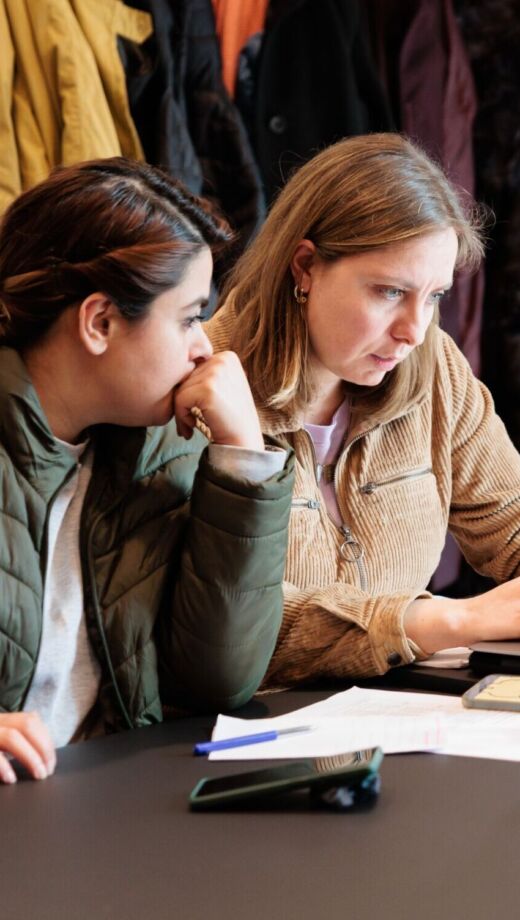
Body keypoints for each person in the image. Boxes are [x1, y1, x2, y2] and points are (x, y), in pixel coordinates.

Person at [0, 157, 294, 783]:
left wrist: (243, 458)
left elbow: (219, 681)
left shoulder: (157, 450)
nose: (205, 348)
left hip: (115, 817)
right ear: (100, 322)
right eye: (189, 318)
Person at [206, 132, 520, 690]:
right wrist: (448, 619)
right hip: (238, 736)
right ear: (304, 266)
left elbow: (512, 528)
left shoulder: (435, 367)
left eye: (435, 296)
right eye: (389, 292)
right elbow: (233, 625)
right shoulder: (202, 391)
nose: (413, 331)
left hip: (403, 723)